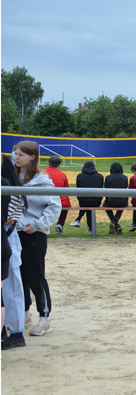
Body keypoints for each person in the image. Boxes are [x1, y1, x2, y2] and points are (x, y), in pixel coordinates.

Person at [13, 141, 61, 337]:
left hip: (33, 233)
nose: (16, 157)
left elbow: (54, 207)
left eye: (21, 155)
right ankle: (24, 312)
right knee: (17, 275)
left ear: (32, 156)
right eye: (14, 154)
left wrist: (37, 225)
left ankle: (44, 318)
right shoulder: (10, 177)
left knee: (35, 275)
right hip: (13, 233)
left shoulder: (43, 181)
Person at [2, 155, 27, 349]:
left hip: (7, 239)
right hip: (8, 238)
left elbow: (8, 219)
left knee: (11, 288)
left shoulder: (10, 188)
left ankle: (16, 330)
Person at [71, 160, 104, 234]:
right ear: (94, 167)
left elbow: (78, 190)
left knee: (86, 202)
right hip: (96, 201)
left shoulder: (79, 176)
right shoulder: (100, 176)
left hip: (83, 201)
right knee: (90, 203)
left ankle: (79, 219)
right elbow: (101, 189)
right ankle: (88, 226)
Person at [43, 156, 71, 235]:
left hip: (44, 199)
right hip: (59, 200)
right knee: (66, 205)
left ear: (48, 163)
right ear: (59, 165)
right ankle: (60, 224)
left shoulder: (41, 173)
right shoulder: (62, 174)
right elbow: (66, 190)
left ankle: (44, 225)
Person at [102, 162, 129, 235]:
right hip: (122, 201)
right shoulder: (125, 177)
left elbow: (106, 188)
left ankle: (114, 223)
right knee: (123, 205)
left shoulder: (108, 177)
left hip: (111, 201)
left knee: (105, 205)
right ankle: (116, 225)